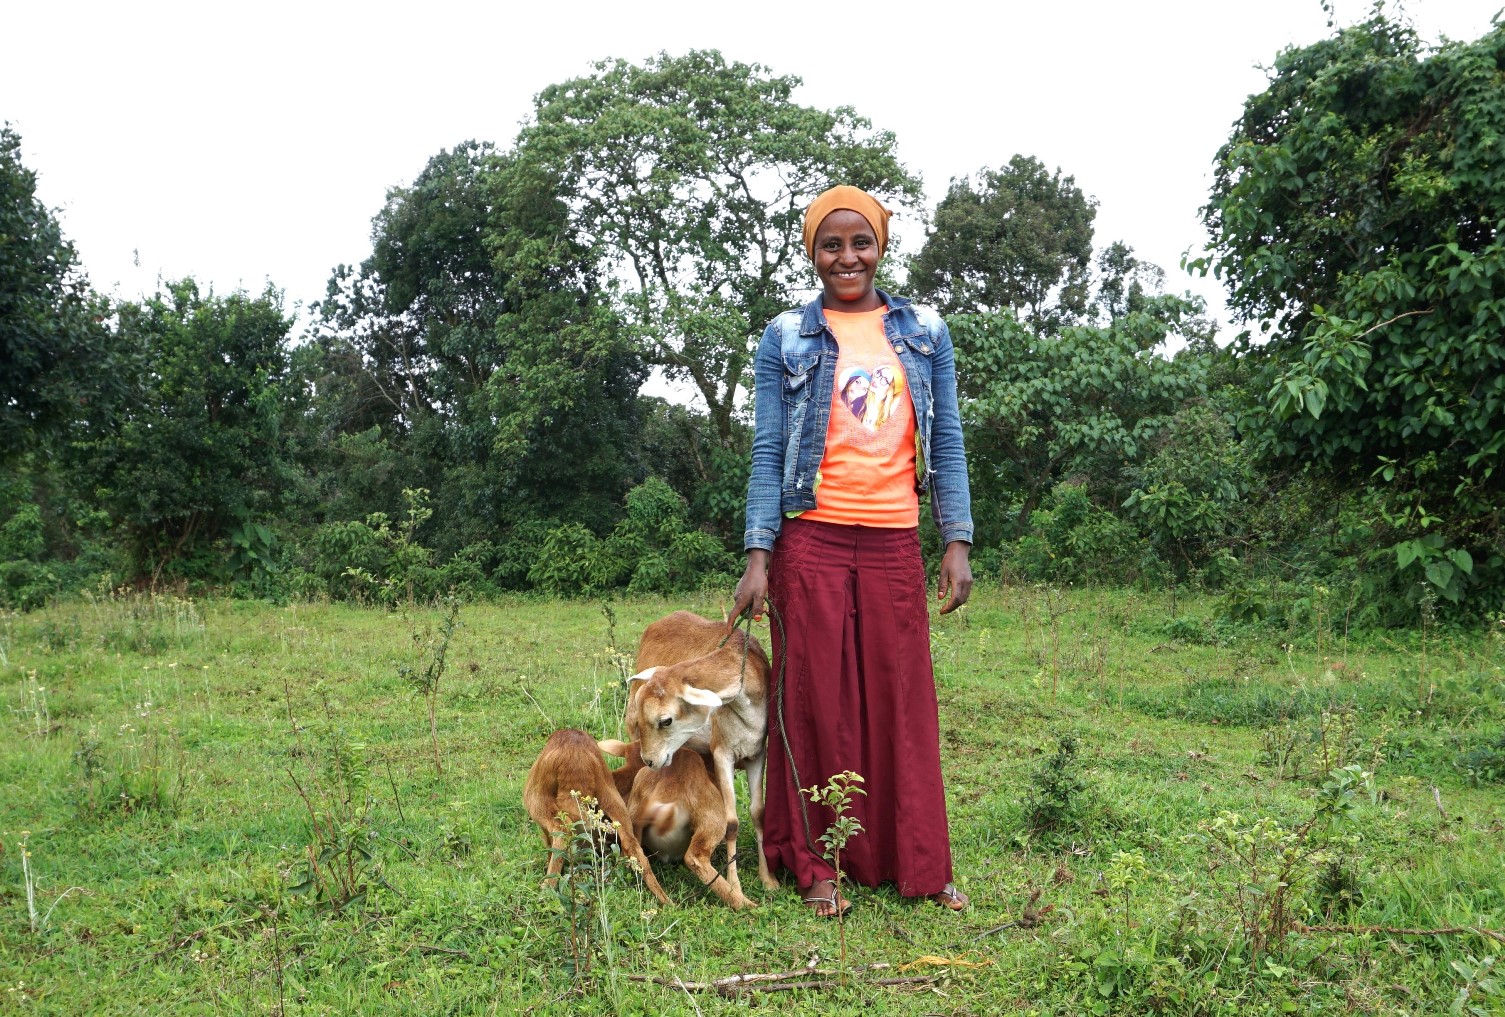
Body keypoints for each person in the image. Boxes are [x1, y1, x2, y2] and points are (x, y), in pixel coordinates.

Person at [730, 184, 973, 917]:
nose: (846, 257)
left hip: (896, 538)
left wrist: (954, 539)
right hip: (812, 537)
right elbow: (769, 447)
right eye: (830, 244)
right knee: (814, 703)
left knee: (902, 700)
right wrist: (757, 553)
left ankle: (917, 864)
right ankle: (818, 866)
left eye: (859, 241)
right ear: (812, 251)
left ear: (880, 246)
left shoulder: (925, 331)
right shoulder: (785, 336)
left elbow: (949, 440)